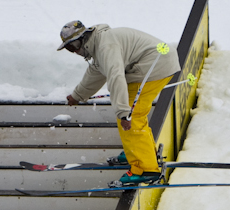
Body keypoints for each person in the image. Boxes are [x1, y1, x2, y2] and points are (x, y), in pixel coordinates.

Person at [58, 21, 181, 186]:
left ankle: (145, 169)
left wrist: (124, 112)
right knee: (135, 113)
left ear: (79, 40)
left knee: (132, 115)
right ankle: (137, 152)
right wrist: (78, 95)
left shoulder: (105, 47)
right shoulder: (99, 44)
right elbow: (95, 72)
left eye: (71, 48)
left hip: (154, 66)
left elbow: (115, 77)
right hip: (156, 64)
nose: (73, 52)